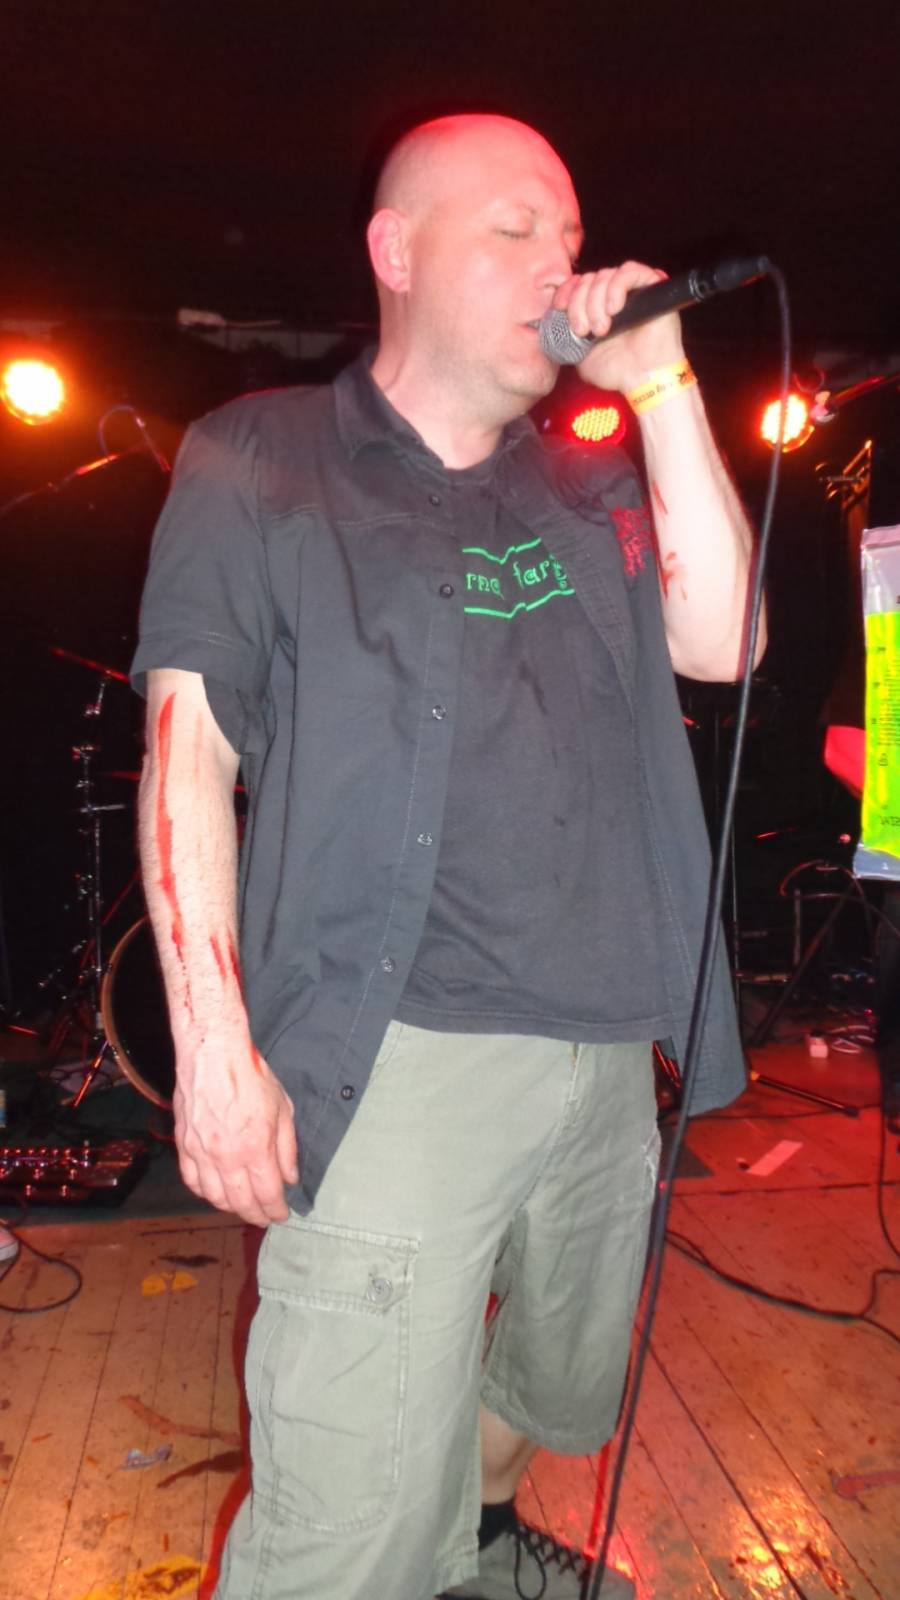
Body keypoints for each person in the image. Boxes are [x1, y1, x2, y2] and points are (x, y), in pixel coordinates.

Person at [132, 113, 763, 1600]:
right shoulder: (262, 456)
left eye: (571, 233)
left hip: (609, 1048)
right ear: (397, 250)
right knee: (344, 1528)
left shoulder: (589, 486)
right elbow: (186, 752)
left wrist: (661, 382)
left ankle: (478, 1549)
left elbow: (724, 639)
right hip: (403, 1057)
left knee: (556, 1384)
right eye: (516, 228)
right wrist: (213, 1051)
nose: (563, 263)